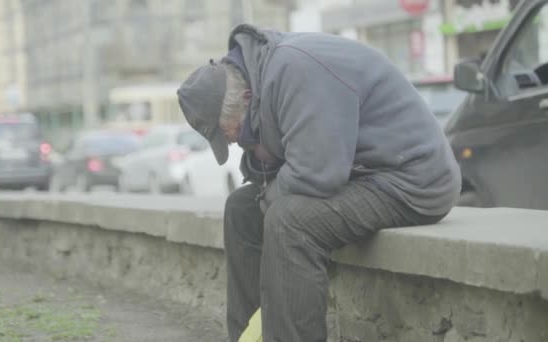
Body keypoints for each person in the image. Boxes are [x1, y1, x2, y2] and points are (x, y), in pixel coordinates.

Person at [177, 24, 461, 342]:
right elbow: (289, 166)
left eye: (230, 133)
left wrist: (268, 179)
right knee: (241, 210)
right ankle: (248, 337)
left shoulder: (297, 70)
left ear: (244, 97)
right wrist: (258, 151)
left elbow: (318, 172)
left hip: (411, 179)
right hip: (361, 173)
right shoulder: (258, 80)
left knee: (289, 222)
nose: (233, 143)